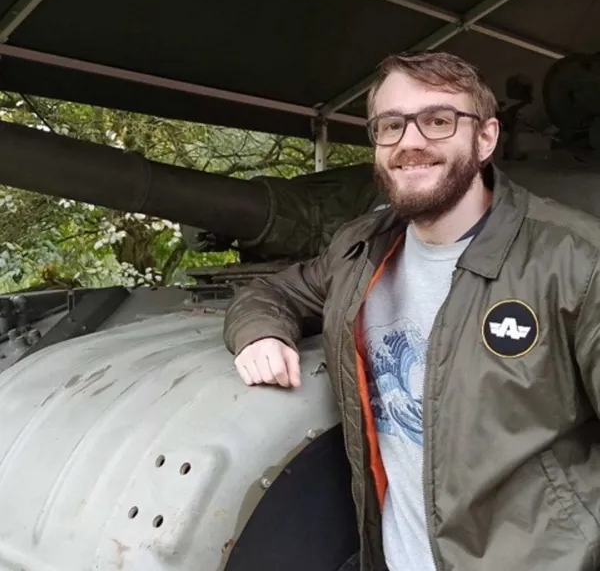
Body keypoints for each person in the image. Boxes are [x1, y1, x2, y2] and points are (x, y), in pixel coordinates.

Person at [223, 51, 600, 571]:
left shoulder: (576, 259)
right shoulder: (361, 251)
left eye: (439, 121)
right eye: (391, 125)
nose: (411, 142)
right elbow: (275, 292)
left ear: (486, 138)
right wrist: (261, 333)